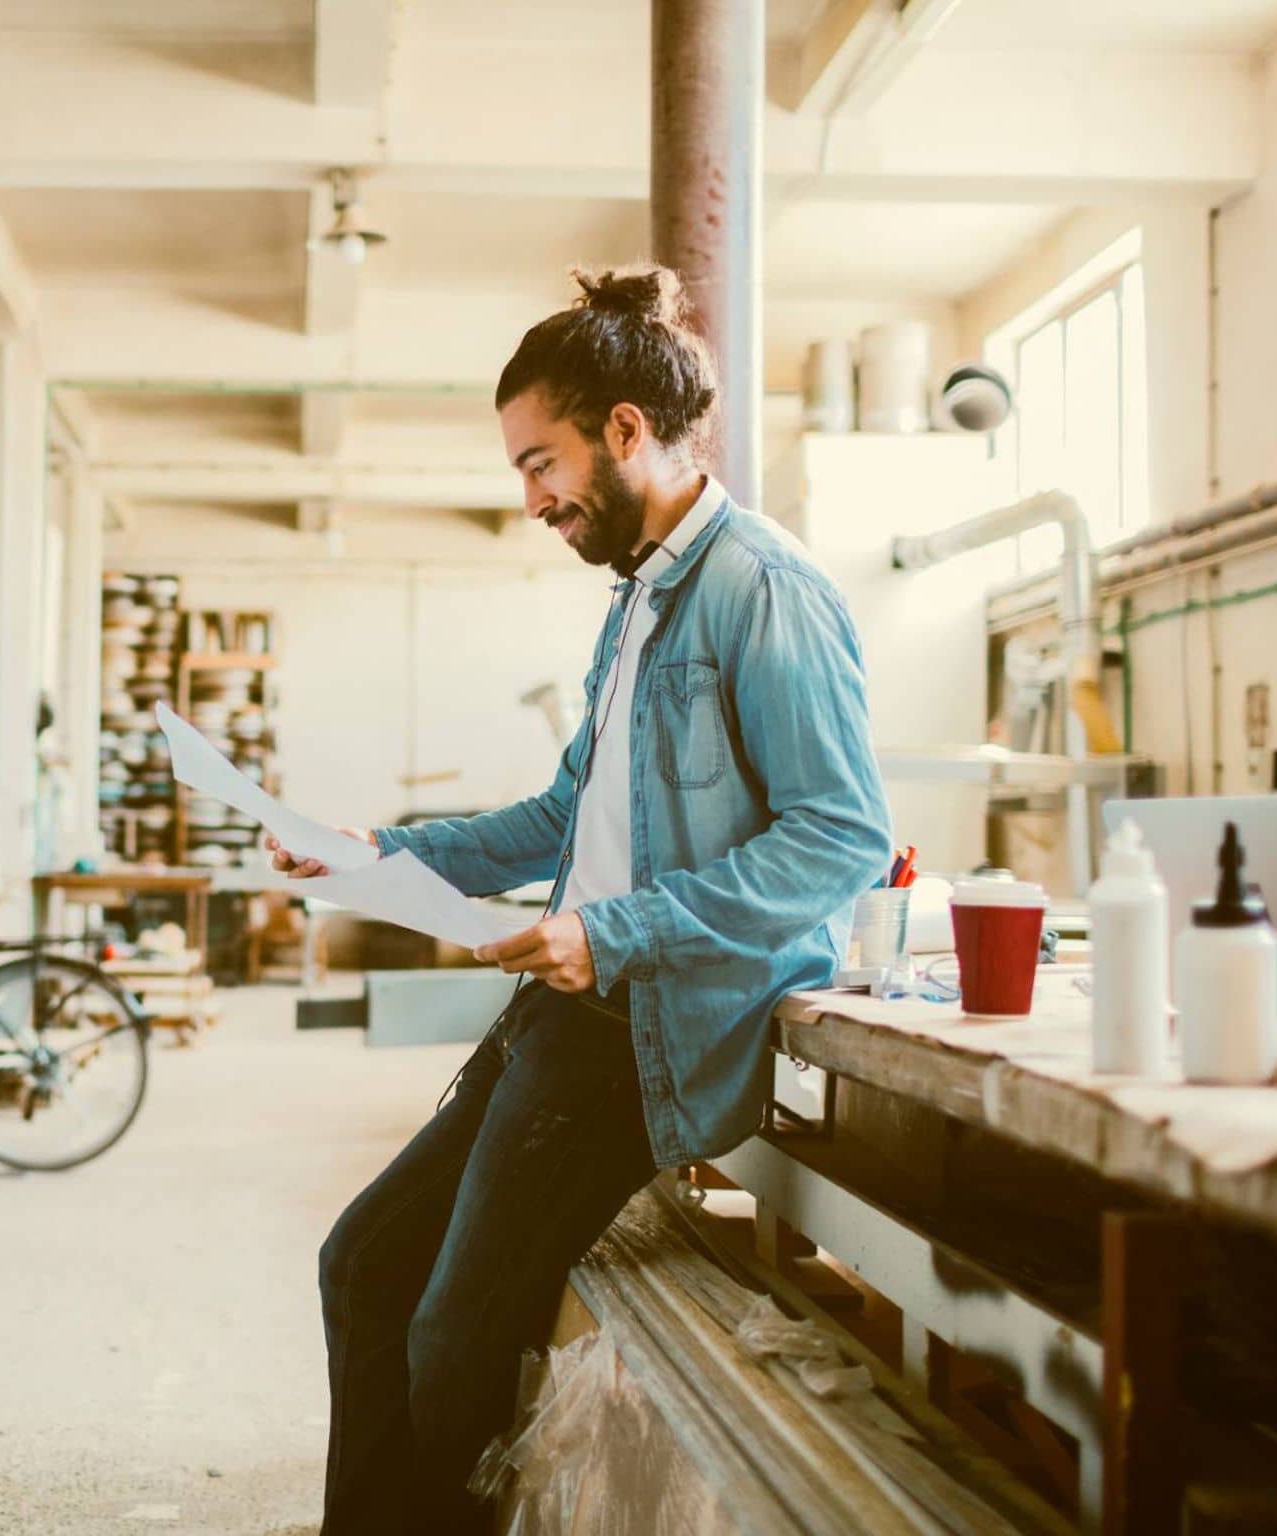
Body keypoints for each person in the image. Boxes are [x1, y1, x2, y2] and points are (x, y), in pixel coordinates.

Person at [270, 263, 892, 1535]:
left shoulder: (760, 590)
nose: (530, 498)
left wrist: (606, 932)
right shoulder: (639, 602)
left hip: (634, 1035)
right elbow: (559, 819)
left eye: (537, 461)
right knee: (362, 1264)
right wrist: (376, 853)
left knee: (452, 1335)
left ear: (623, 430)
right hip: (564, 1017)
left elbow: (839, 836)